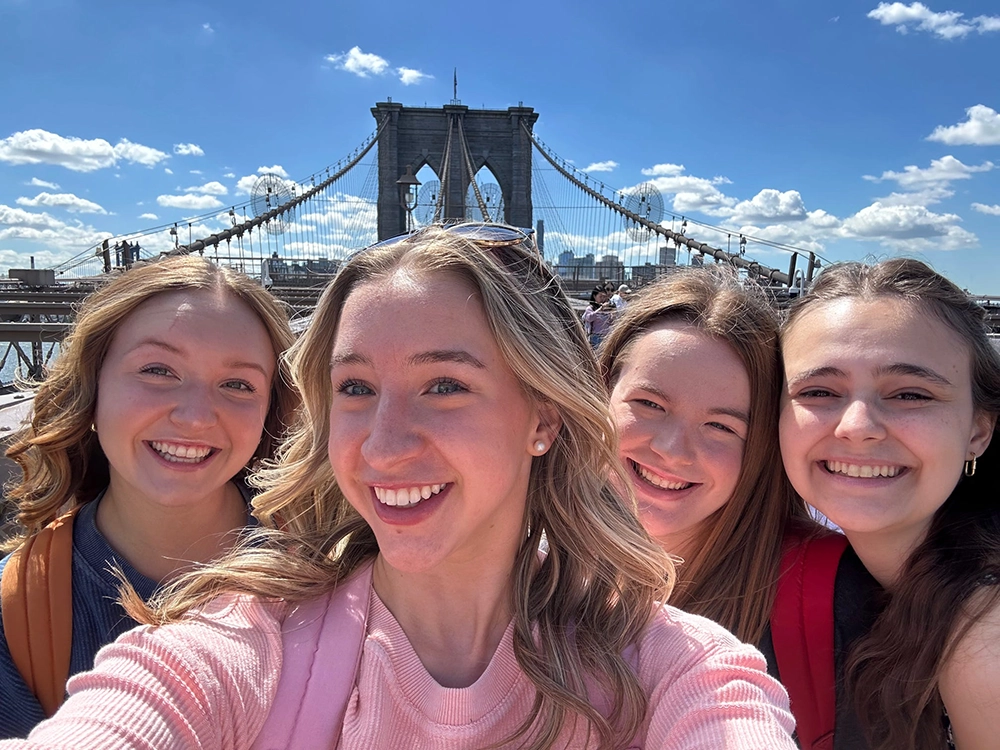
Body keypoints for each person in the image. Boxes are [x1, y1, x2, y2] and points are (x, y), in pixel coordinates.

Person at [1, 225, 796, 750]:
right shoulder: (241, 644)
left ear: (544, 418)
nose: (382, 444)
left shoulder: (675, 666)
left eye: (444, 386)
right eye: (354, 389)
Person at [0, 255, 298, 738]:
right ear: (91, 388)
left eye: (238, 384)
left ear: (270, 411)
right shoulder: (16, 613)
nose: (197, 416)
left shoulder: (337, 568)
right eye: (158, 370)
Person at [779, 259, 1000, 750]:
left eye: (910, 393)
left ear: (978, 430)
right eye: (818, 391)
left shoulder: (984, 644)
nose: (857, 425)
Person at [598, 268, 812, 645]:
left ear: (762, 448)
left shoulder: (823, 599)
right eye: (649, 404)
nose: (671, 450)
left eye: (721, 427)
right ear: (601, 394)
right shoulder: (525, 557)